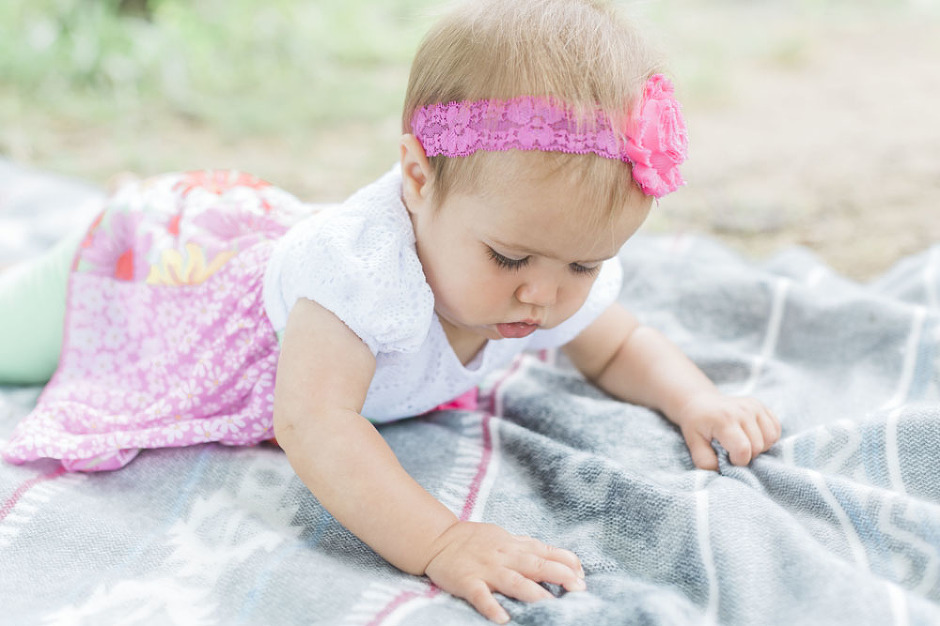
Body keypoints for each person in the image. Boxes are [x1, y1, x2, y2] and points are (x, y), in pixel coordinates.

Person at [0, 0, 781, 621]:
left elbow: (615, 345)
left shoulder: (543, 266)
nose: (543, 295)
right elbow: (316, 421)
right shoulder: (359, 274)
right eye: (510, 259)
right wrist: (441, 540)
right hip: (157, 270)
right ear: (416, 176)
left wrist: (695, 398)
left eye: (584, 264)